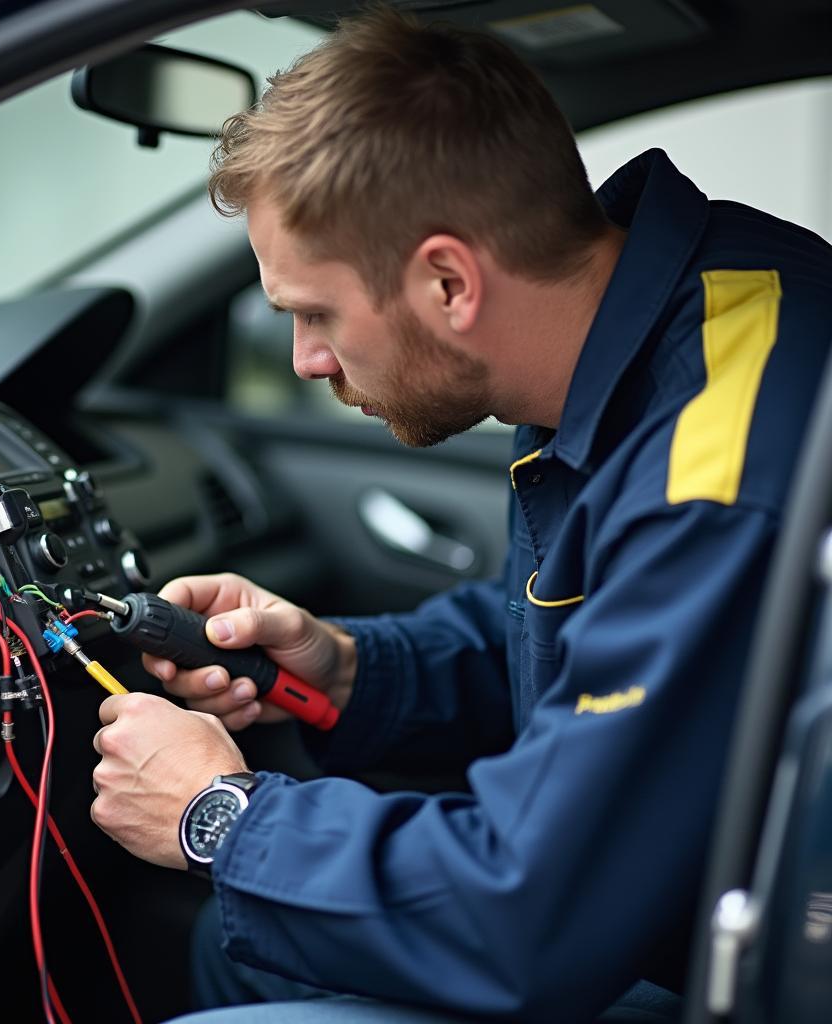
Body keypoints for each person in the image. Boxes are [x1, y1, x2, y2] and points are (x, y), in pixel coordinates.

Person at [88, 8, 832, 1023]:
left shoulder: (712, 467)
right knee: (250, 957)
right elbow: (579, 628)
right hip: (666, 910)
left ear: (447, 280)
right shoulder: (663, 327)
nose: (306, 358)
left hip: (747, 975)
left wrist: (218, 817)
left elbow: (533, 914)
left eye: (314, 312)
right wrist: (347, 666)